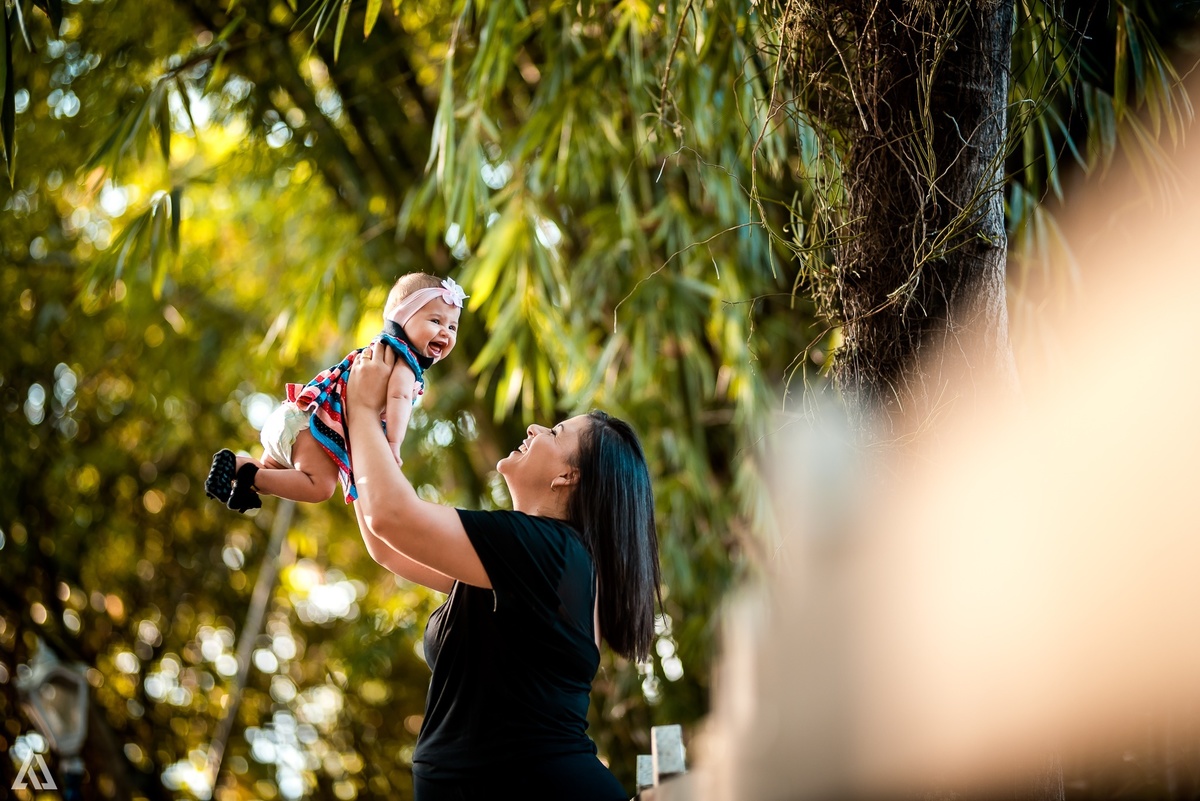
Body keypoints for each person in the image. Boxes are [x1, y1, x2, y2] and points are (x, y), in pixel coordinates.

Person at [344, 339, 662, 800]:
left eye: (554, 433)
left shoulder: (548, 552)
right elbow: (387, 545)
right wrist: (361, 428)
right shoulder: (535, 560)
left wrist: (360, 408)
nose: (534, 427)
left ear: (568, 477)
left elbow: (392, 517)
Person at [204, 274, 466, 513]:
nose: (445, 332)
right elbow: (399, 399)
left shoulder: (376, 351)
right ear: (403, 318)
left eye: (452, 327)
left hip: (296, 414)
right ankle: (249, 475)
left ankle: (237, 468)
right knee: (320, 487)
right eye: (435, 321)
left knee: (274, 472)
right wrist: (393, 446)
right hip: (311, 428)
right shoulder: (403, 361)